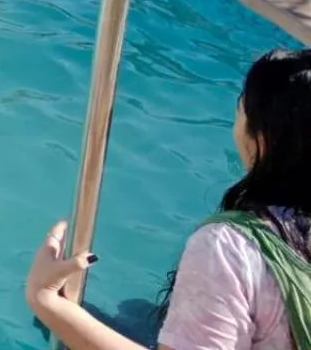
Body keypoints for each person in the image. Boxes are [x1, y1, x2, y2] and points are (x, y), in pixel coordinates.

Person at [25, 48, 311, 350]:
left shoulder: (230, 248)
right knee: (136, 312)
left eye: (241, 108)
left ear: (262, 138)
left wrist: (45, 301)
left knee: (62, 320)